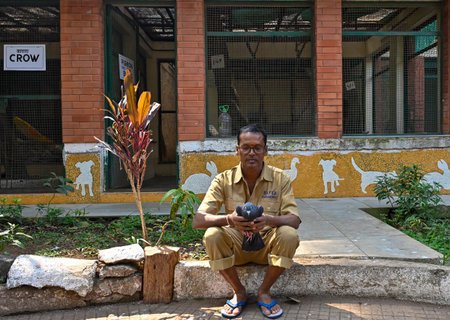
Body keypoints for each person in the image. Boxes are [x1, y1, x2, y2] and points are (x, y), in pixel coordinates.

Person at [193, 124, 301, 319]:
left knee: (288, 234)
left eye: (257, 148)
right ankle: (239, 291)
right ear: (237, 150)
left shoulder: (281, 178)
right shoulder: (223, 180)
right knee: (212, 235)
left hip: (266, 245)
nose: (251, 153)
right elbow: (199, 220)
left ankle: (264, 292)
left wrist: (268, 219)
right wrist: (229, 219)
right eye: (246, 147)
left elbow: (294, 219)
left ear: (265, 151)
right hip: (236, 247)